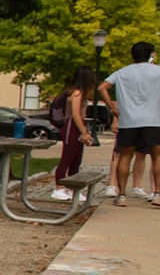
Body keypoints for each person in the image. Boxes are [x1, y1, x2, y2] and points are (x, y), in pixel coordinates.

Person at [101, 42, 160, 207]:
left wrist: (113, 108)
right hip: (154, 120)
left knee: (125, 157)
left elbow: (102, 87)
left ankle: (121, 195)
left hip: (129, 121)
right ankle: (157, 194)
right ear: (150, 55)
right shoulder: (157, 71)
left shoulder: (122, 72)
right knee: (157, 157)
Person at [49, 69, 97, 199]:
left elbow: (82, 115)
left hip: (78, 127)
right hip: (71, 126)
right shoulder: (76, 93)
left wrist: (85, 132)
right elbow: (75, 114)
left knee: (76, 160)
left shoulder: (83, 95)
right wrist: (83, 132)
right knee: (67, 158)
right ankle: (59, 187)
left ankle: (72, 188)